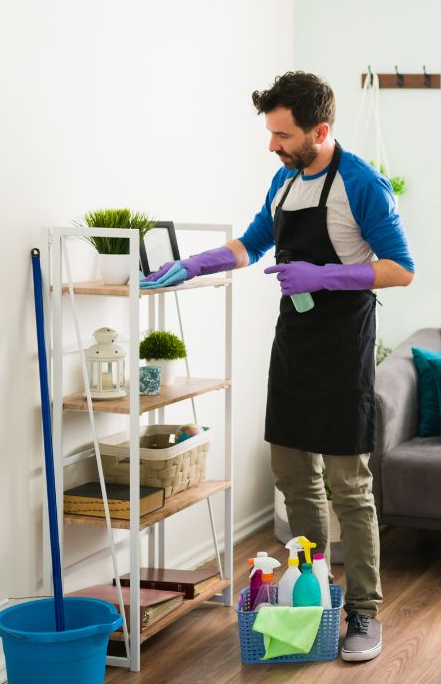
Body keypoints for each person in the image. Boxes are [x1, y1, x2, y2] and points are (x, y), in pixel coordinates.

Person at [142, 71, 414, 662]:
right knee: (294, 479)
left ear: (320, 131)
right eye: (270, 134)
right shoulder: (285, 179)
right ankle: (310, 600)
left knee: (350, 487)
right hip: (294, 343)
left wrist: (326, 276)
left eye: (283, 135)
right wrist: (194, 265)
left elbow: (401, 268)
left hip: (343, 346)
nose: (273, 146)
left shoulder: (362, 185)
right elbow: (251, 243)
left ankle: (364, 613)